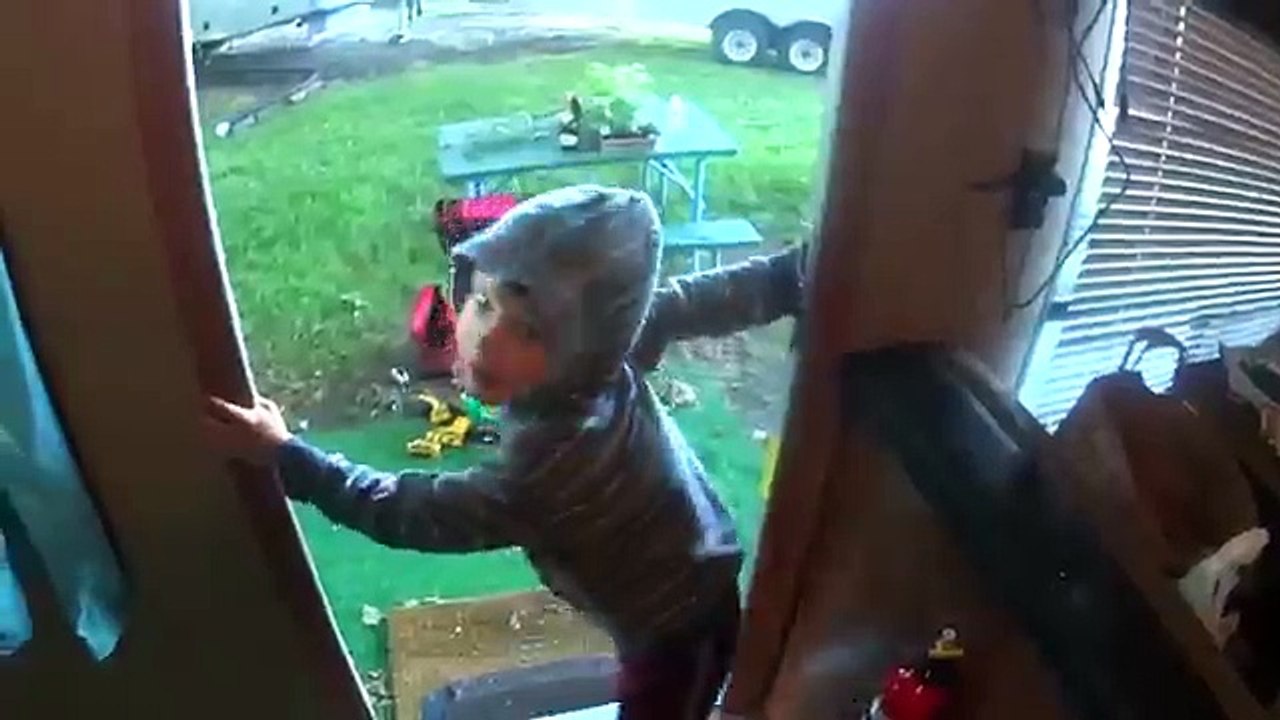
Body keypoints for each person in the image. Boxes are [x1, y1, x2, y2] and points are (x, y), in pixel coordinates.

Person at [205, 185, 806, 719]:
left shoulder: (550, 470)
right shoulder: (602, 350)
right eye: (486, 303)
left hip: (679, 624)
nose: (488, 339)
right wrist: (788, 279)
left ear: (583, 346)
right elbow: (694, 299)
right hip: (683, 566)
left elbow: (408, 509)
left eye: (531, 331)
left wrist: (288, 458)